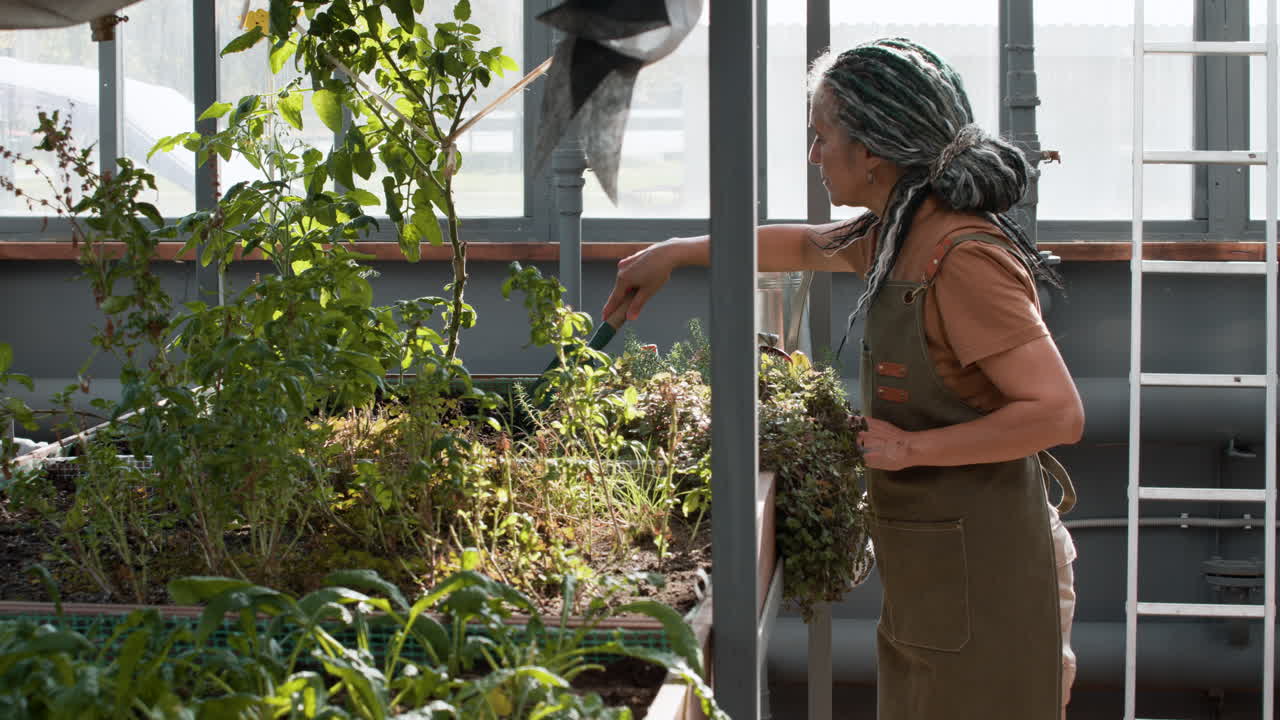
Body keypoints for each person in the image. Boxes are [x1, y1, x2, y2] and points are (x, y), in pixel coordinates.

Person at [602, 38, 1084, 720]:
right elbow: (803, 244)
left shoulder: (961, 255)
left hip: (993, 573)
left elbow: (1058, 412)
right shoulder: (898, 229)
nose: (812, 155)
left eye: (821, 137)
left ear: (871, 153)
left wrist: (912, 449)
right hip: (941, 573)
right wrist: (677, 252)